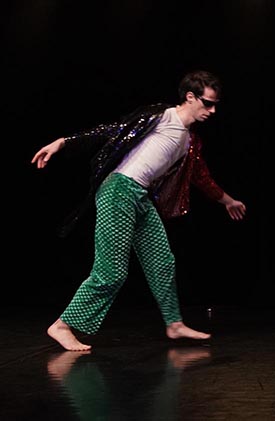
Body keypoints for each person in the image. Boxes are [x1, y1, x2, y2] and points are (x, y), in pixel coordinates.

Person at [31, 70, 246, 351]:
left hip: (140, 197)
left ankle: (174, 324)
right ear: (190, 97)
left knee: (162, 260)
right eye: (207, 103)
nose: (212, 110)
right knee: (111, 271)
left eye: (215, 104)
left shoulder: (189, 141)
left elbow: (200, 176)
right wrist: (62, 142)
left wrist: (227, 200)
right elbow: (109, 130)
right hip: (119, 189)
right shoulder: (163, 117)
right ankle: (62, 325)